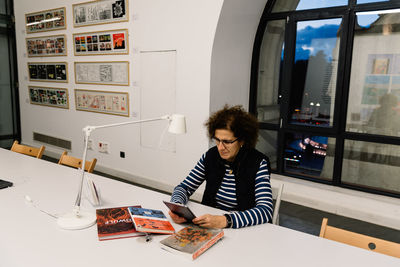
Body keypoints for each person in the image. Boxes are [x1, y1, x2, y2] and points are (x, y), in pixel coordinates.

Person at [169, 105, 273, 229]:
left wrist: (226, 220)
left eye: (227, 142)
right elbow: (184, 188)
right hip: (210, 225)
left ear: (242, 140)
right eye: (217, 140)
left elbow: (265, 210)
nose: (220, 147)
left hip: (244, 229)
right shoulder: (210, 156)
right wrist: (177, 207)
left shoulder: (258, 162)